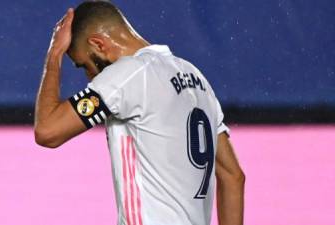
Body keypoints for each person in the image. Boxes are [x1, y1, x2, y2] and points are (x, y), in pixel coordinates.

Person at [34, 1, 245, 225]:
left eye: (84, 65)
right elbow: (233, 176)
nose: (90, 78)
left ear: (98, 44)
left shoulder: (127, 74)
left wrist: (55, 53)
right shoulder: (195, 77)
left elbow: (47, 131)